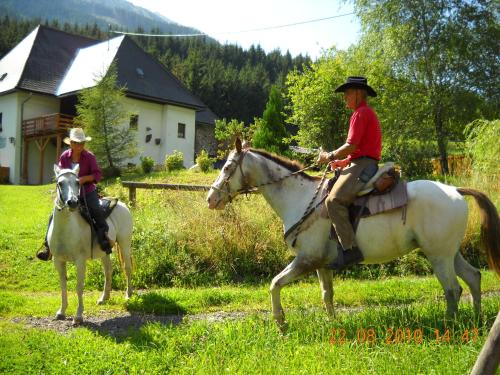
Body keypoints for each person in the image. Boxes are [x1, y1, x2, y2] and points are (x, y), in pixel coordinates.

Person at [317, 76, 382, 270]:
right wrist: (343, 161)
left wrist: (329, 156)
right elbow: (360, 150)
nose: (345, 98)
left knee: (333, 201)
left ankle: (350, 250)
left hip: (363, 166)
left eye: (347, 94)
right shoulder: (365, 113)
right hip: (362, 163)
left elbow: (352, 145)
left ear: (357, 93)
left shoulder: (360, 113)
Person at [36, 128, 112, 261]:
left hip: (87, 192)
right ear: (70, 143)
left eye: (82, 143)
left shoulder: (89, 157)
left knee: (96, 210)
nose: (79, 146)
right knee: (53, 216)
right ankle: (48, 247)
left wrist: (84, 179)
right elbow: (60, 174)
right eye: (76, 143)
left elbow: (97, 175)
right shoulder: (64, 157)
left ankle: (103, 240)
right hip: (68, 194)